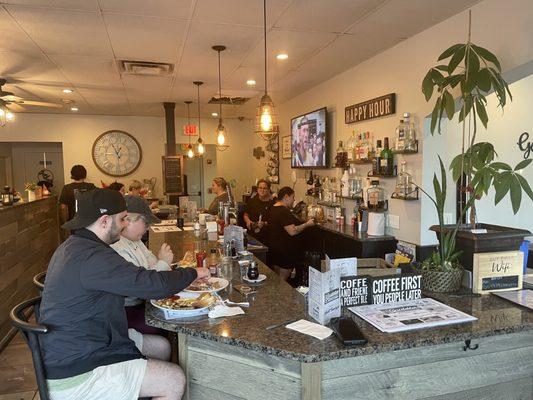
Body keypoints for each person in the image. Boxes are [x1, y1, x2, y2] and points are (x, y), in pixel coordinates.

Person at [39, 188, 210, 400]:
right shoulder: (94, 257)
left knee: (161, 346)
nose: (123, 225)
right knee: (174, 379)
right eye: (121, 219)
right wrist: (193, 272)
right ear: (104, 221)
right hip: (77, 370)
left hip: (85, 340)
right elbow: (151, 283)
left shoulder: (74, 246)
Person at [111, 195, 172, 334]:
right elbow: (142, 284)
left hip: (142, 301)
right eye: (146, 222)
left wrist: (159, 264)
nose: (148, 227)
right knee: (164, 326)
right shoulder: (117, 246)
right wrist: (162, 263)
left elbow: (150, 260)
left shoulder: (135, 240)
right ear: (128, 220)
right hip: (127, 310)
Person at [266, 186, 315, 281]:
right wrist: (307, 224)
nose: (294, 200)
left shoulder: (273, 208)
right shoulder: (283, 211)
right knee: (282, 280)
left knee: (277, 279)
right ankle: (280, 296)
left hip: (274, 249)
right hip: (284, 251)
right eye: (293, 197)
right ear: (286, 196)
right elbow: (292, 231)